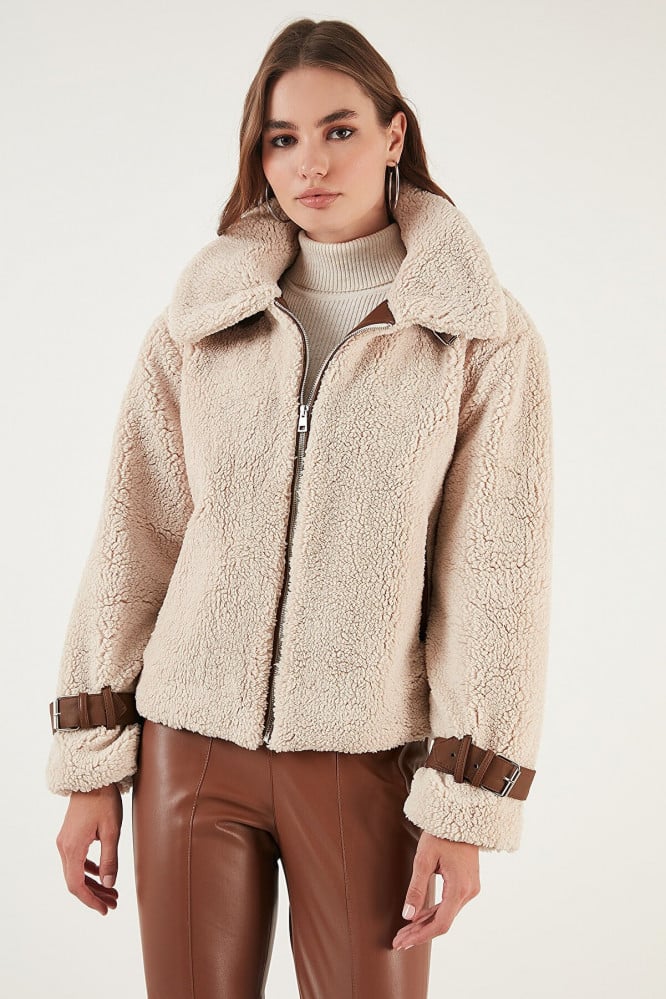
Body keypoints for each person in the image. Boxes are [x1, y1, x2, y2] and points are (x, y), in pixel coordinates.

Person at [46, 17, 553, 999]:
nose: (310, 163)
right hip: (188, 750)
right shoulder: (202, 320)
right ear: (259, 153)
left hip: (364, 761)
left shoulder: (480, 336)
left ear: (395, 135)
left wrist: (464, 805)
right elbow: (131, 541)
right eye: (282, 138)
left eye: (339, 130)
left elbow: (498, 577)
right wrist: (90, 765)